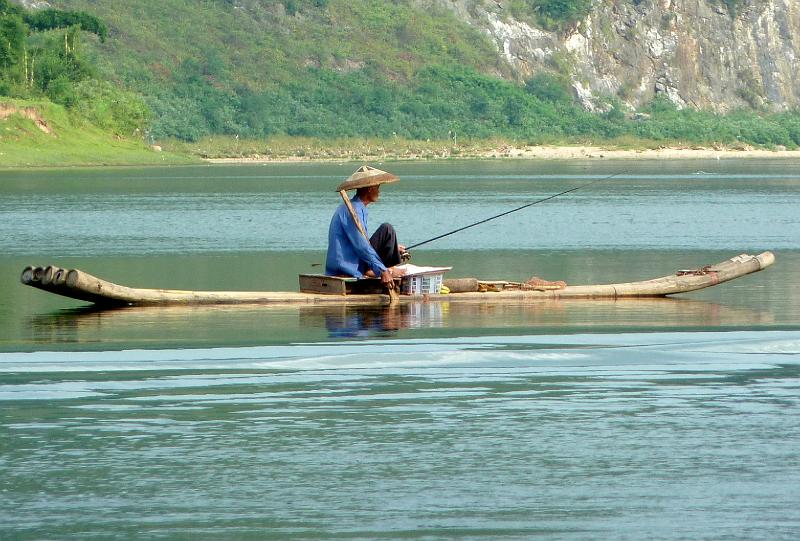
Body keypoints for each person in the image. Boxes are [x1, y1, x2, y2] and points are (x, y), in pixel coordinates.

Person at [325, 165, 407, 285]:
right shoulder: (353, 211)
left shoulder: (358, 207)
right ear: (370, 189)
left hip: (352, 259)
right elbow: (361, 246)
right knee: (387, 229)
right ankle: (379, 270)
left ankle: (377, 268)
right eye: (377, 188)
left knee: (387, 235)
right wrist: (382, 270)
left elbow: (361, 240)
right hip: (346, 266)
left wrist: (393, 246)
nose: (379, 192)